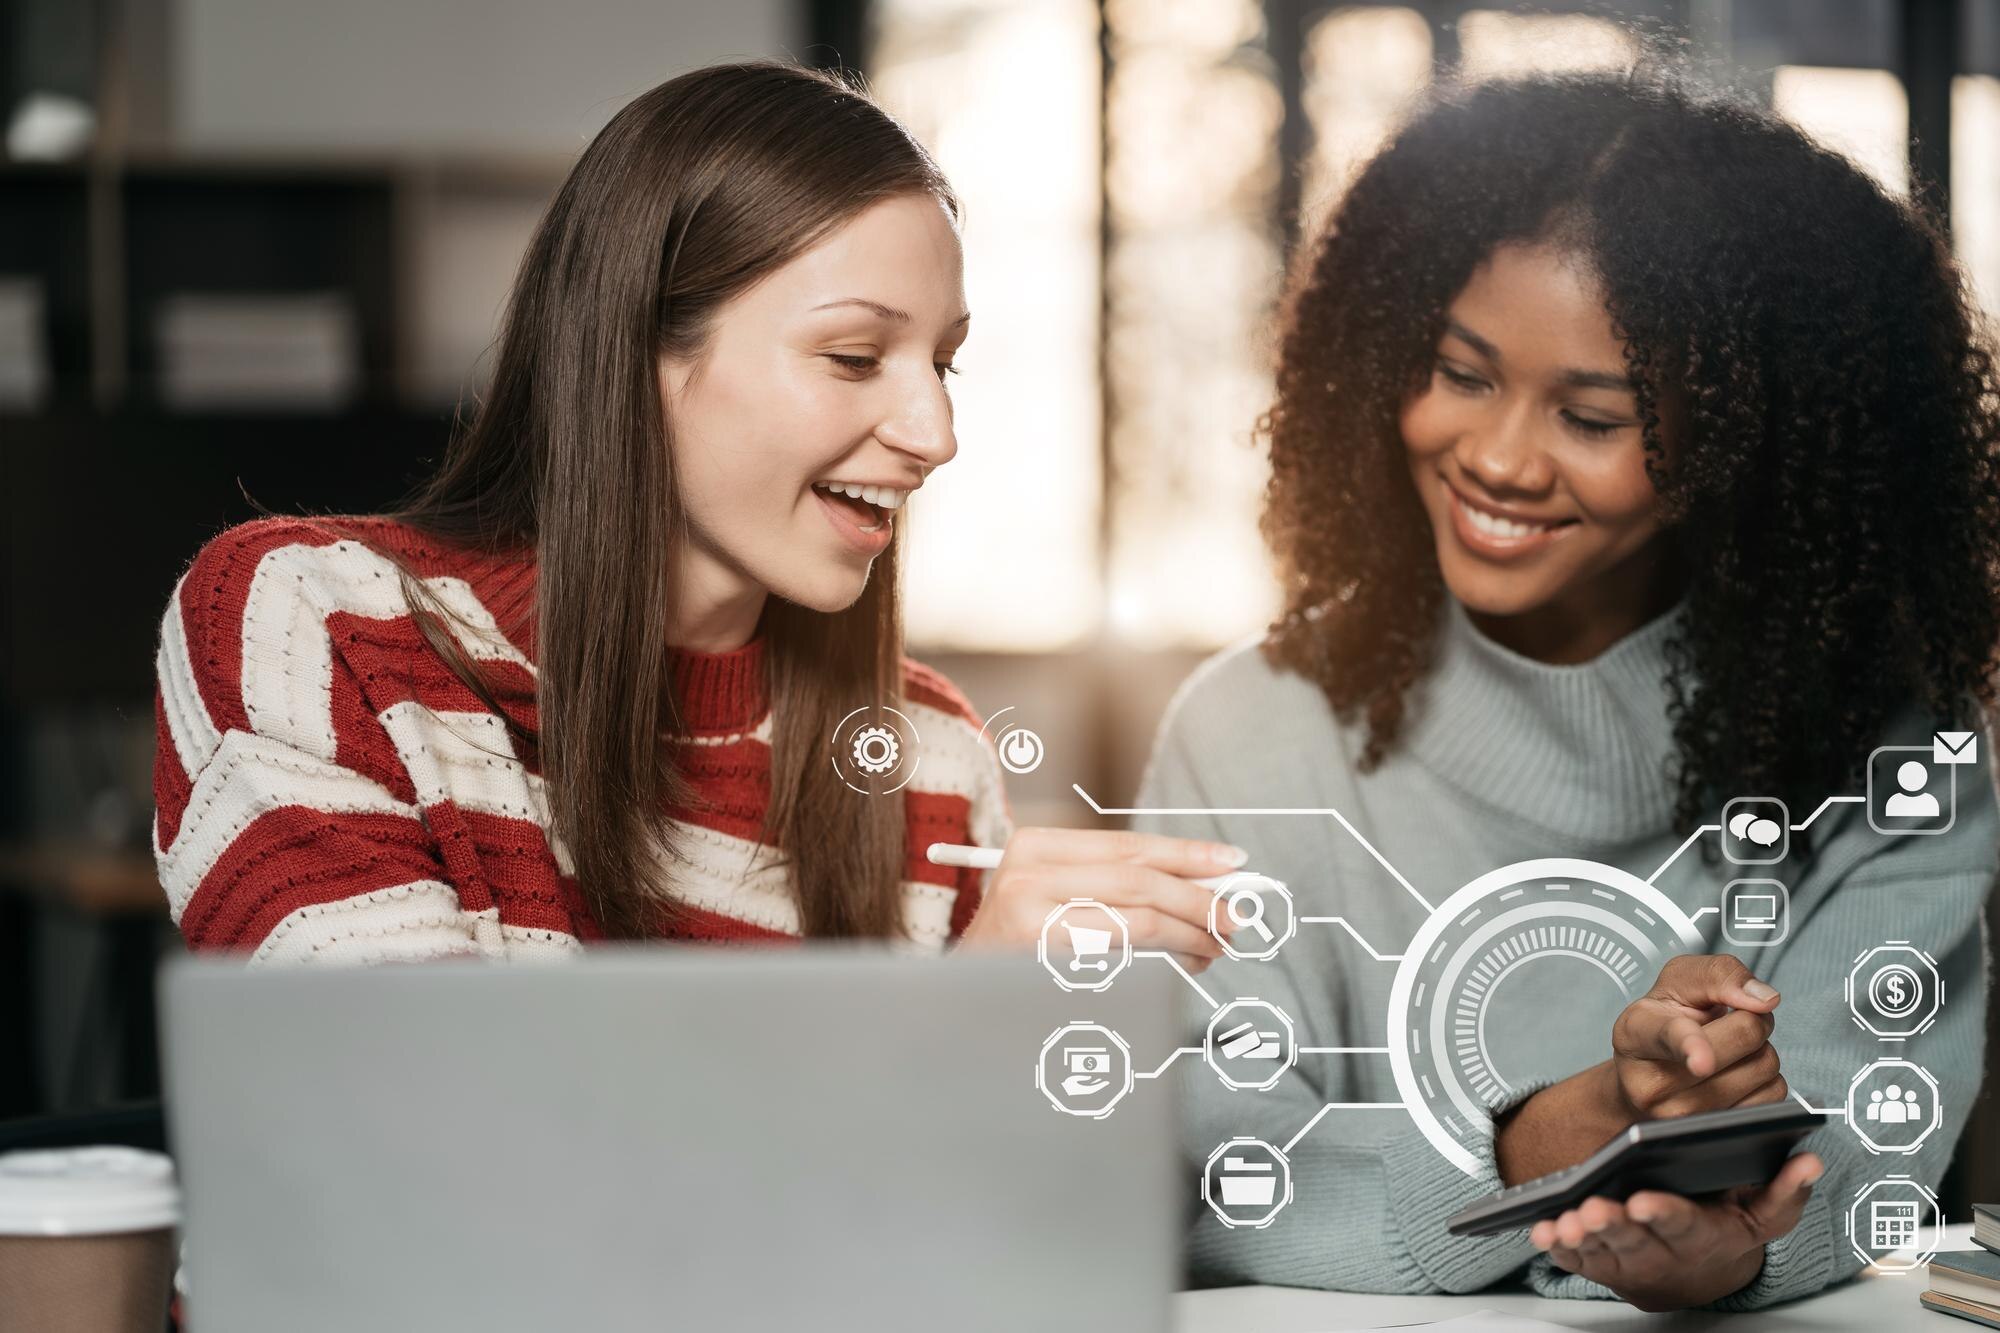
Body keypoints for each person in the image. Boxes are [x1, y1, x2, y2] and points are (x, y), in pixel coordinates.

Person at [1135, 65, 2000, 1311]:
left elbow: (1863, 1150)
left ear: (1744, 441)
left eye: (1591, 417)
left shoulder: (1898, 761)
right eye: (1459, 371)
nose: (1492, 458)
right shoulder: (1249, 729)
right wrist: (1561, 1132)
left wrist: (1731, 1246)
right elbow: (1209, 1163)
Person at [149, 62, 1237, 970]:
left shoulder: (928, 759)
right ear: (635, 357)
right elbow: (411, 1153)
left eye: (943, 363)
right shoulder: (316, 628)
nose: (935, 432)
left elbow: (944, 1214)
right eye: (854, 357)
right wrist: (950, 1022)